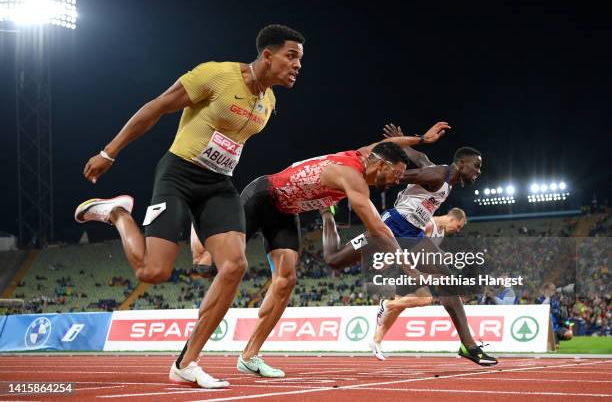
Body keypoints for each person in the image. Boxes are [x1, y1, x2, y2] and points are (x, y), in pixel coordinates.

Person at [73, 24, 305, 388]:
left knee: (234, 265)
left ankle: (187, 362)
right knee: (153, 272)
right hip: (179, 174)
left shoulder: (269, 102)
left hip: (218, 186)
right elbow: (157, 107)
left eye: (300, 60)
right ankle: (116, 213)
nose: (297, 65)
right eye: (291, 56)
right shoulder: (216, 75)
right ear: (267, 55)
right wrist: (109, 152)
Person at [191, 121, 450, 377]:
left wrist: (423, 139)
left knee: (286, 281)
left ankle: (249, 357)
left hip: (285, 212)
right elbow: (379, 231)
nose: (396, 181)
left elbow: (389, 144)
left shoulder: (366, 154)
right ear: (381, 165)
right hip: (262, 196)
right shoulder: (352, 176)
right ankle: (200, 210)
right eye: (395, 175)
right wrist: (409, 269)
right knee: (208, 267)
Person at [320, 123, 497, 366]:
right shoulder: (438, 175)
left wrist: (401, 141)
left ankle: (469, 347)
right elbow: (394, 176)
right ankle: (326, 213)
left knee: (448, 282)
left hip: (412, 233)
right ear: (462, 163)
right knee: (334, 260)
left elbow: (421, 157)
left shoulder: (442, 175)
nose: (478, 172)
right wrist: (363, 178)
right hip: (393, 226)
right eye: (476, 166)